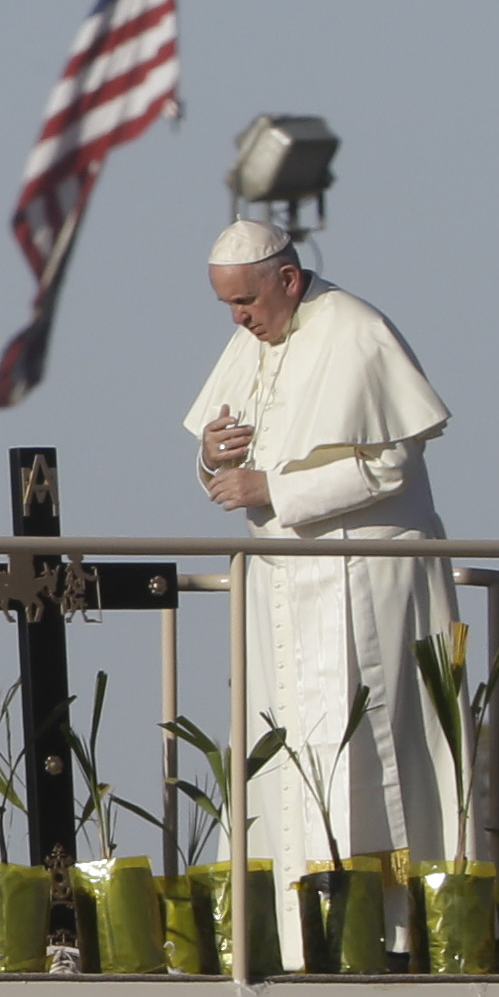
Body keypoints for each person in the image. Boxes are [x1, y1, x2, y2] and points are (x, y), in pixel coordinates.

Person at [190, 224, 459, 888]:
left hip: (363, 579)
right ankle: (286, 924)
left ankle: (385, 929)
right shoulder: (250, 340)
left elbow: (390, 462)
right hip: (279, 586)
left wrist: (274, 488)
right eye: (226, 305)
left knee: (368, 755)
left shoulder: (354, 328)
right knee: (280, 760)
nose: (238, 318)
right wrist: (211, 457)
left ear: (286, 279)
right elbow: (222, 460)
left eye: (245, 301)